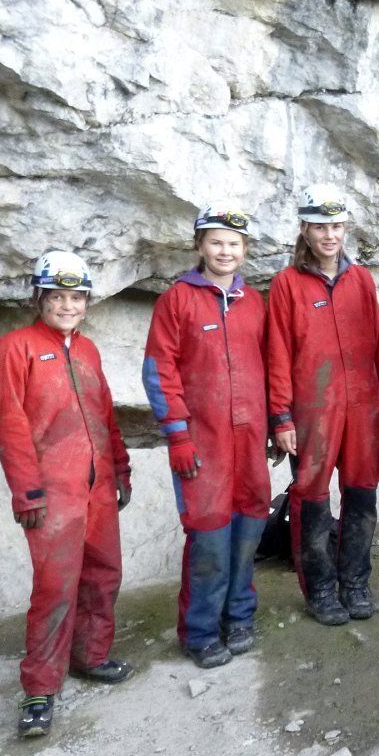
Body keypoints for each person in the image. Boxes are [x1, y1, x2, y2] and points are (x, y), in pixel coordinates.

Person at [0, 251, 134, 737]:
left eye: (76, 297)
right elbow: (9, 425)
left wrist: (122, 469)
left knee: (103, 574)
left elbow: (106, 416)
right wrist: (27, 492)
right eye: (57, 297)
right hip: (52, 492)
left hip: (98, 485)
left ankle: (90, 656)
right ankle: (39, 689)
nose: (68, 306)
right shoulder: (14, 348)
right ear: (39, 298)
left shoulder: (87, 350)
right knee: (55, 587)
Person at [142, 204, 271, 669]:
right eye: (215, 242)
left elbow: (271, 367)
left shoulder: (253, 302)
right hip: (204, 442)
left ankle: (238, 616)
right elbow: (158, 372)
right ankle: (199, 631)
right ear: (199, 246)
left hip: (250, 438)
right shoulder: (177, 300)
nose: (225, 251)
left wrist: (276, 424)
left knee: (249, 527)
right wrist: (178, 435)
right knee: (210, 536)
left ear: (244, 251)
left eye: (233, 244)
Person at [267, 185, 379, 626]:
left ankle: (355, 582)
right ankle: (321, 588)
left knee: (362, 491)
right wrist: (281, 416)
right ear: (304, 229)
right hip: (312, 411)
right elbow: (278, 354)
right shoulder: (287, 284)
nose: (329, 235)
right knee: (312, 498)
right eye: (320, 226)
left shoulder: (360, 279)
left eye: (337, 226)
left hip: (362, 408)